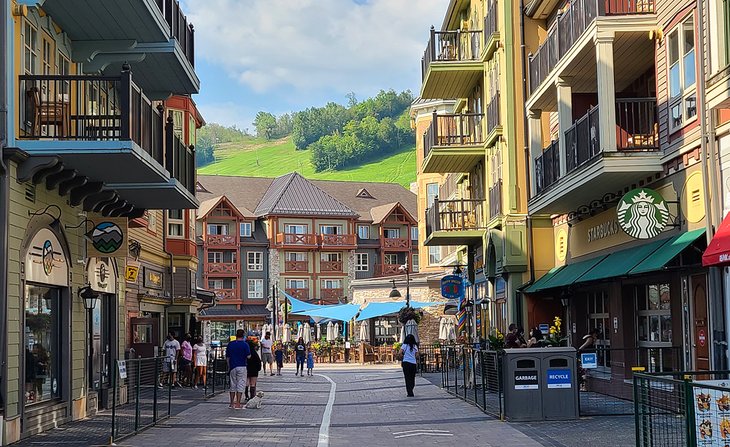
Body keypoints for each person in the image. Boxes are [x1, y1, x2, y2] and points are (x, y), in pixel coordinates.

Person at [226, 329, 251, 409]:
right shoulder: (245, 344)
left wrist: (229, 366)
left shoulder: (231, 344)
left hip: (233, 366)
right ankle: (238, 403)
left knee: (232, 384)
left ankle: (231, 403)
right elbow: (248, 356)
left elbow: (227, 357)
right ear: (243, 335)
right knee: (240, 384)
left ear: (236, 335)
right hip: (242, 366)